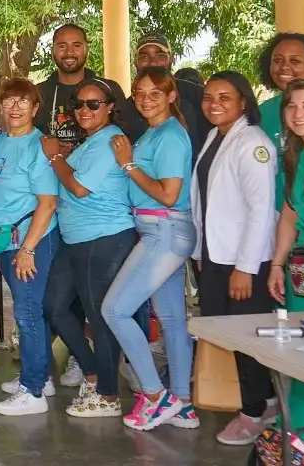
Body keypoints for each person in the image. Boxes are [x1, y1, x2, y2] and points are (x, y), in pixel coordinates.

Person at [101, 68, 197, 431]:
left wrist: (127, 165)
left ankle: (156, 396)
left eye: (154, 94)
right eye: (139, 93)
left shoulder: (170, 136)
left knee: (114, 310)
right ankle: (183, 403)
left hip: (164, 229)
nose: (144, 99)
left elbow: (169, 193)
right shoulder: (157, 132)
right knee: (172, 320)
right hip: (162, 228)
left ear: (171, 96)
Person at [41, 78, 137, 419]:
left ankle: (108, 395)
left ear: (110, 107)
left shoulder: (110, 140)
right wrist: (64, 155)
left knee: (99, 318)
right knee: (54, 306)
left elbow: (80, 188)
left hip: (104, 238)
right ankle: (94, 372)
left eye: (93, 104)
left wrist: (54, 158)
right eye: (78, 104)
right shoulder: (90, 143)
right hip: (76, 239)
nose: (84, 110)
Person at [191, 71, 278, 445]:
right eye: (209, 97)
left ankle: (254, 411)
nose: (214, 104)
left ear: (244, 101)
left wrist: (244, 268)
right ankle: (266, 401)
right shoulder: (216, 135)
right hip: (215, 253)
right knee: (227, 331)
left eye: (224, 98)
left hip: (244, 261)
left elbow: (262, 209)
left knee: (246, 338)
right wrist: (200, 252)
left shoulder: (254, 143)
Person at [0, 79, 60, 417]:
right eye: (9, 100)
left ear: (35, 108)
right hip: (6, 241)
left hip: (31, 241)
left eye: (23, 102)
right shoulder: (0, 141)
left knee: (27, 314)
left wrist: (27, 249)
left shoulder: (37, 146)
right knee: (31, 311)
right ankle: (40, 376)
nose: (15, 107)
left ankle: (34, 391)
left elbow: (48, 203)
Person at [269, 77, 304, 448]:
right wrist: (277, 264)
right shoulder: (297, 155)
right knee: (303, 352)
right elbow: (289, 211)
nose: (298, 114)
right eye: (292, 106)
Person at [256, 33, 304, 212]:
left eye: (295, 61)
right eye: (277, 60)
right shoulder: (263, 112)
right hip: (279, 214)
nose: (284, 67)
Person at [34, 24, 127, 154]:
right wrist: (48, 150)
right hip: (48, 170)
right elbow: (26, 136)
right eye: (62, 46)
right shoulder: (38, 92)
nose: (69, 52)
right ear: (52, 50)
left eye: (76, 46)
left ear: (86, 49)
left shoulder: (109, 89)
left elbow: (125, 135)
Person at [125, 31, 210, 160]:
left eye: (160, 56)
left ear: (172, 59)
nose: (152, 62)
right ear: (135, 62)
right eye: (144, 57)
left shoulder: (197, 95)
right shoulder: (128, 106)